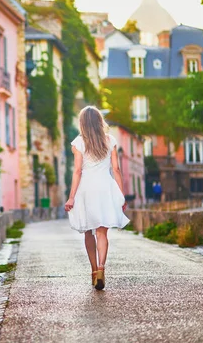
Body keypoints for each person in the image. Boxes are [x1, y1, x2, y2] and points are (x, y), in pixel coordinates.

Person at [65, 106, 129, 290]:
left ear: (82, 123)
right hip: (105, 188)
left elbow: (77, 171)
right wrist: (121, 196)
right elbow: (116, 170)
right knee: (102, 232)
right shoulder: (110, 141)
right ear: (100, 121)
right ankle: (101, 268)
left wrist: (71, 197)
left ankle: (94, 271)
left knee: (88, 231)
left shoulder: (78, 142)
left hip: (86, 189)